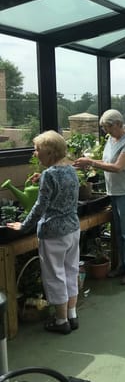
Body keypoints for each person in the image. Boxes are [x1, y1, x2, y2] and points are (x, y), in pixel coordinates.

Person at [8, 130, 80, 335]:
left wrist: (23, 226)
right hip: (73, 229)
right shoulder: (70, 170)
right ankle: (72, 316)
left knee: (55, 276)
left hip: (53, 233)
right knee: (70, 271)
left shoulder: (49, 174)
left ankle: (60, 321)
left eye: (37, 149)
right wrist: (44, 179)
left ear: (49, 153)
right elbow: (62, 188)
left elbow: (40, 207)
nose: (34, 153)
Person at [74, 109, 125, 285]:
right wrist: (88, 166)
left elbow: (118, 167)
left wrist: (90, 162)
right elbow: (105, 162)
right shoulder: (111, 140)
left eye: (108, 128)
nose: (106, 131)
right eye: (104, 128)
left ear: (119, 124)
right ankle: (121, 266)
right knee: (118, 232)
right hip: (114, 191)